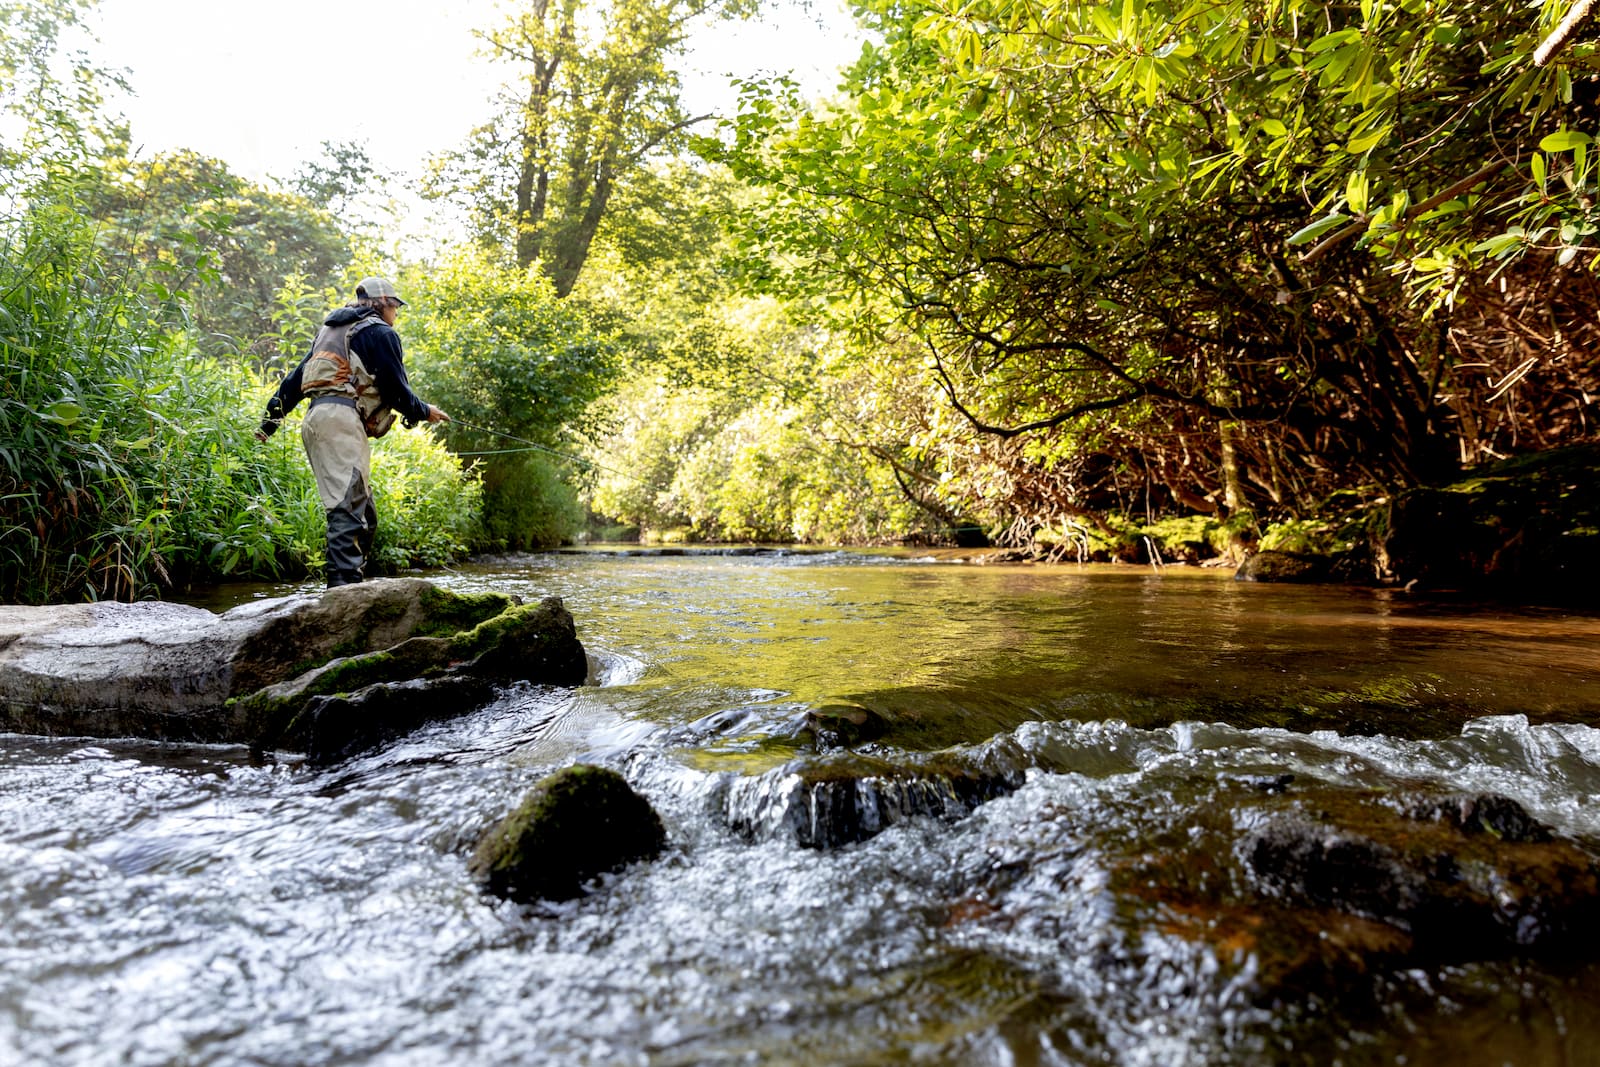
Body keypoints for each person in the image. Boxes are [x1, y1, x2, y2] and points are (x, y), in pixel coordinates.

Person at [255, 276, 448, 587]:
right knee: (347, 511)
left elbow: (293, 382)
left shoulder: (330, 333)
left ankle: (355, 585)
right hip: (340, 422)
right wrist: (424, 411)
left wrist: (269, 423)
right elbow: (395, 390)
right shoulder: (381, 333)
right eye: (396, 307)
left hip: (319, 418)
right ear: (383, 304)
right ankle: (342, 593)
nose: (396, 314)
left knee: (364, 514)